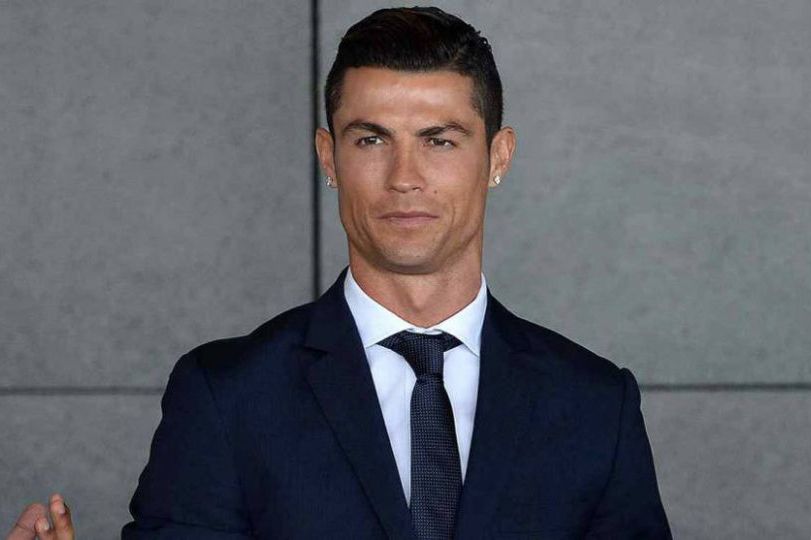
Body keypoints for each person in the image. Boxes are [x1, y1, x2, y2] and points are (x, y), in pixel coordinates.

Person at [7, 6, 671, 539]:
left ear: (497, 157)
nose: (404, 177)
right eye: (371, 139)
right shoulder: (228, 397)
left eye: (439, 140)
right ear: (329, 158)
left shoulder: (593, 405)